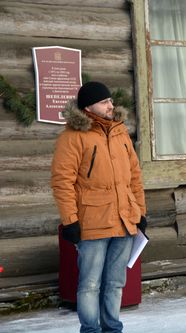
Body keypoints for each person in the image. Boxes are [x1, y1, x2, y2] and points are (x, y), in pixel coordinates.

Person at [51, 81, 147, 333]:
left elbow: (134, 176)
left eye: (110, 101)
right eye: (105, 102)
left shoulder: (119, 132)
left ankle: (113, 328)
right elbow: (63, 182)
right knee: (90, 284)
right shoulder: (72, 137)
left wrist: (140, 212)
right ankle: (90, 330)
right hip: (91, 223)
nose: (111, 105)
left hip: (124, 219)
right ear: (88, 106)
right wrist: (70, 220)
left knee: (115, 282)